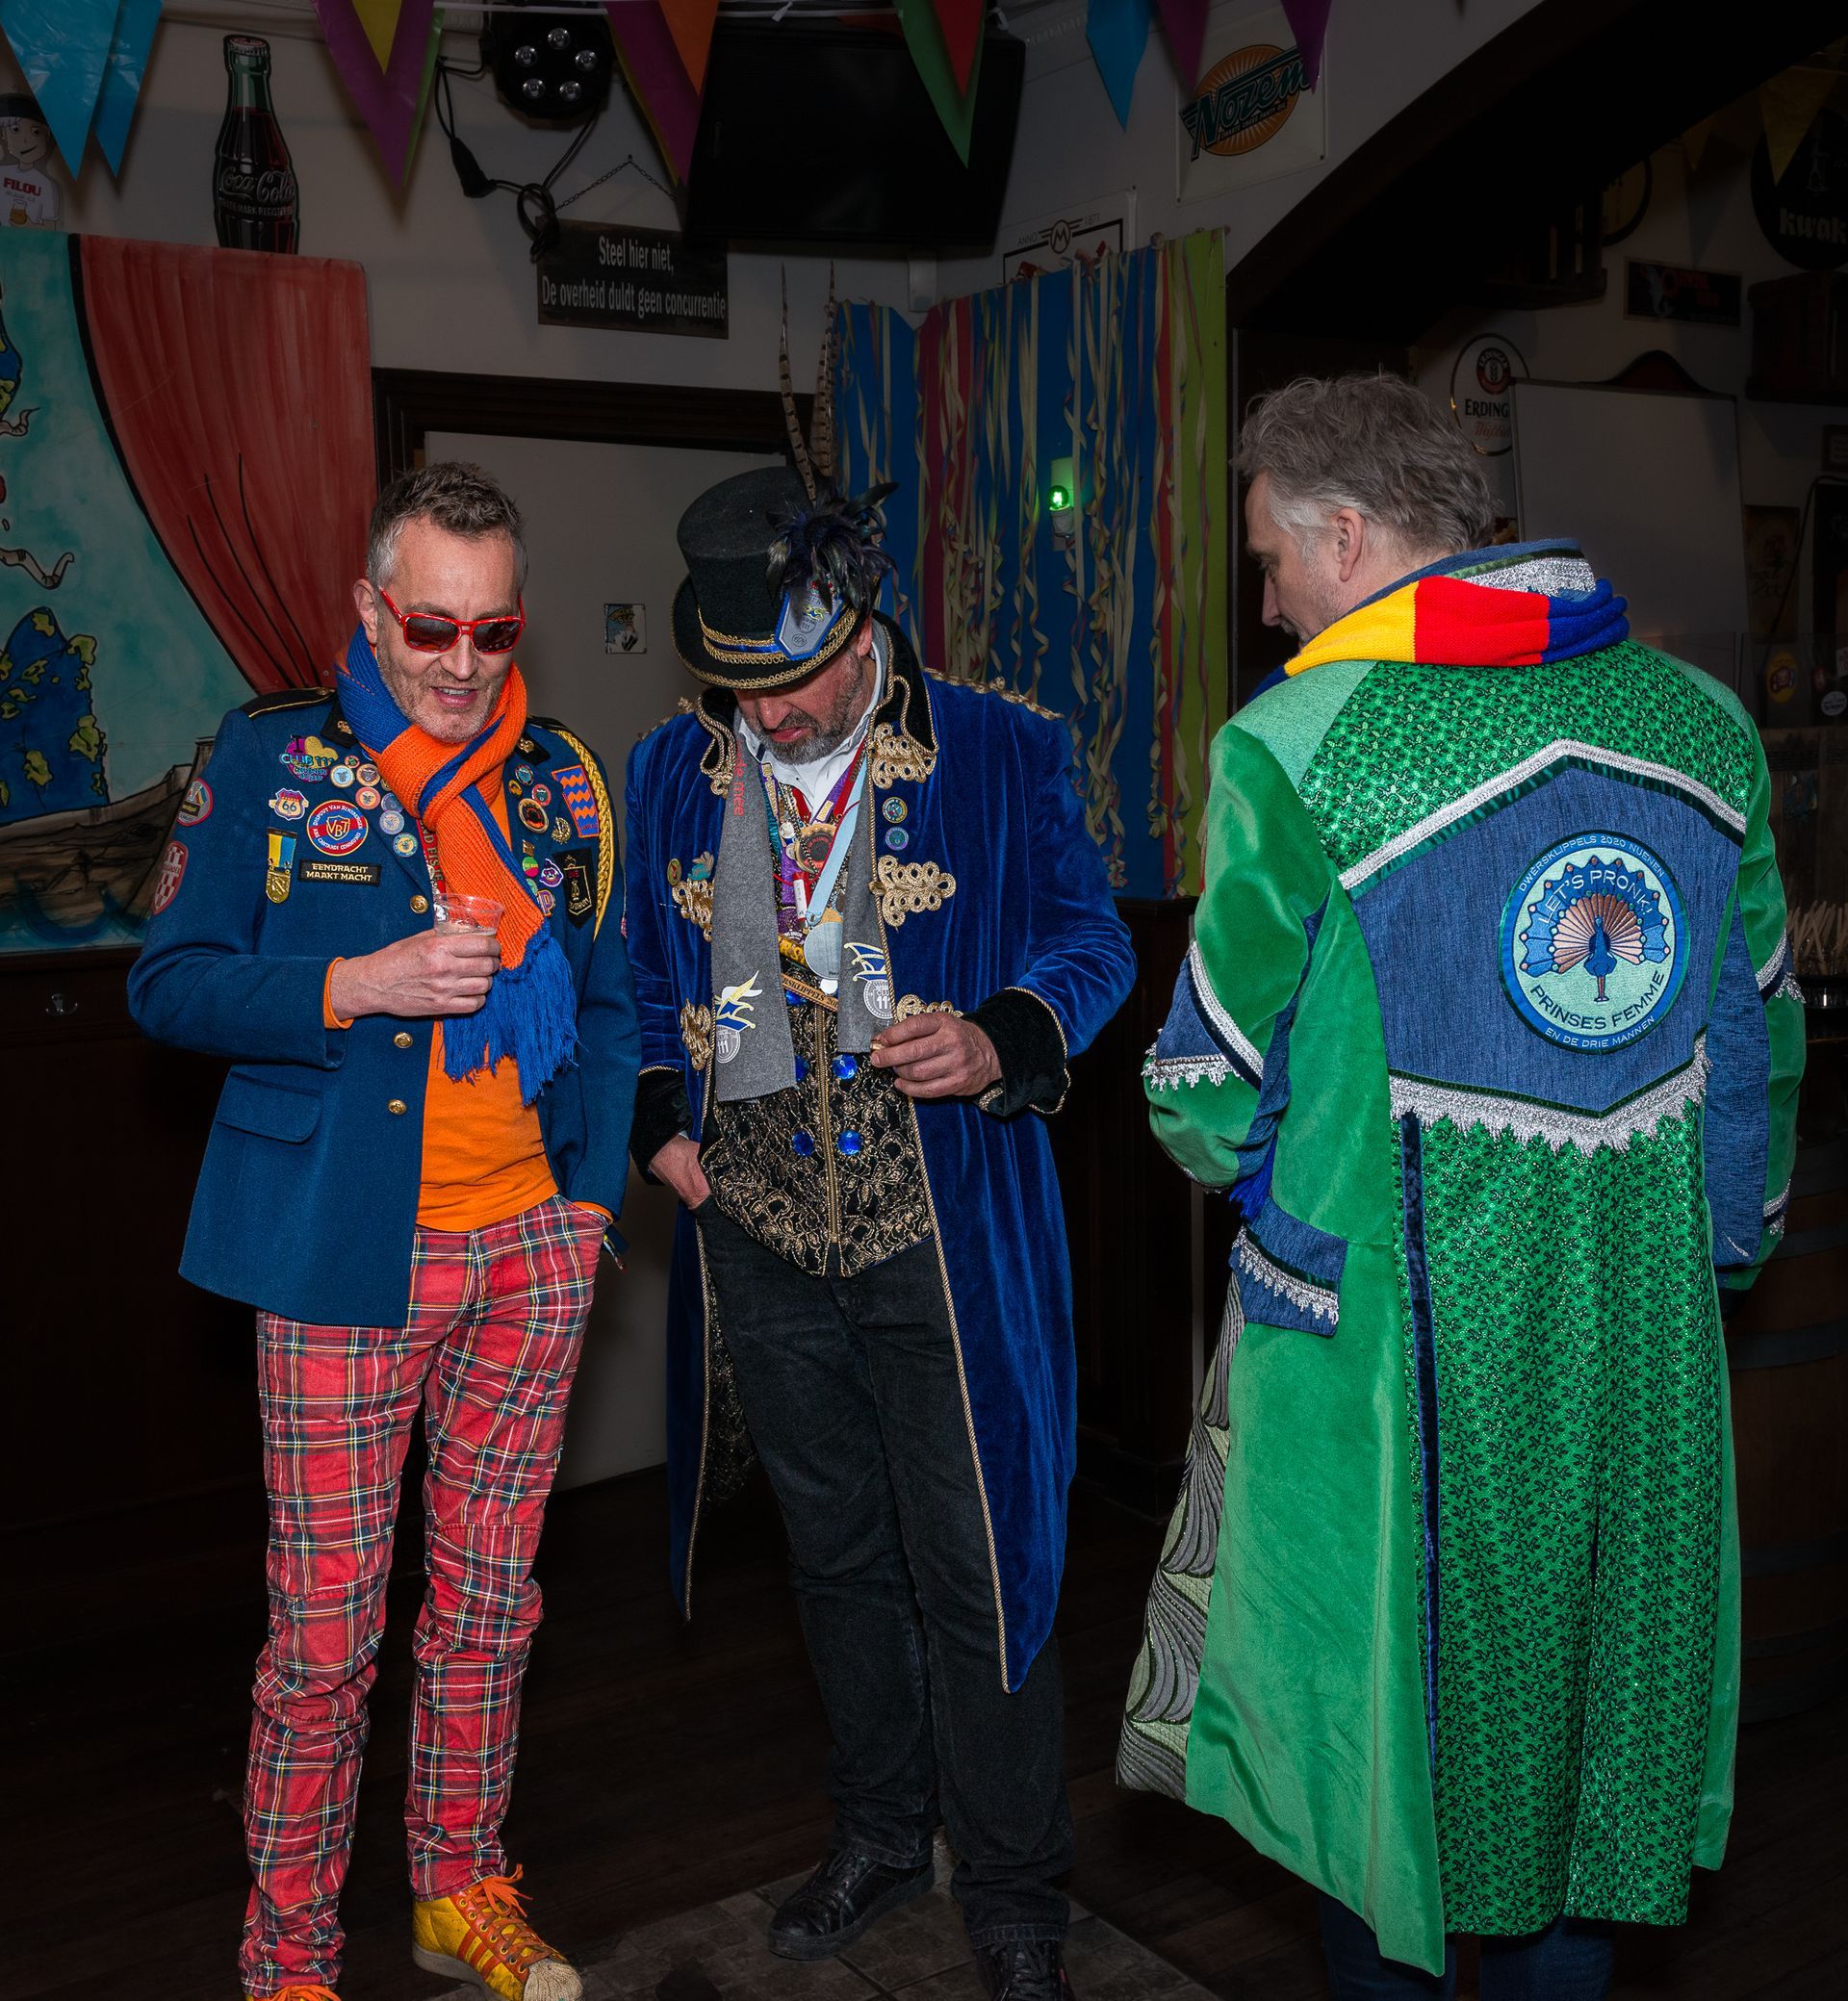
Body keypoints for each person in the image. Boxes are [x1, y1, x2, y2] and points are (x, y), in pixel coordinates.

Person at [1118, 373, 1804, 1999]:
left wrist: (1284, 1195)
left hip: (1385, 1367)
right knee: (1588, 1740)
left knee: (1386, 1769)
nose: (1270, 602)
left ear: (1350, 536)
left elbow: (1204, 1087)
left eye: (1274, 560)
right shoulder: (1703, 726)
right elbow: (1760, 1043)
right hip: (1635, 1351)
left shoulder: (1301, 744)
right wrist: (1717, 1246)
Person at [624, 463, 1135, 2001]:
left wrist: (1001, 1036)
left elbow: (1092, 941)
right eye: (741, 689)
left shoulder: (999, 746)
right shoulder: (668, 770)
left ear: (860, 629)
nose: (769, 717)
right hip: (756, 1225)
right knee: (836, 1558)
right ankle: (881, 1834)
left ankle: (1017, 1887)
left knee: (980, 1565)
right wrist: (656, 1123)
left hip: (942, 1226)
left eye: (792, 683)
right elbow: (638, 979)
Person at [129, 462, 639, 2001]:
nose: (463, 663)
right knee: (326, 1639)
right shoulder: (271, 760)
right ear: (370, 607)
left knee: (490, 1608)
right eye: (431, 627)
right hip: (342, 1258)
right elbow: (169, 983)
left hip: (529, 1251)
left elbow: (610, 1004)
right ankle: (288, 1954)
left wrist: (588, 1206)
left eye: (495, 631)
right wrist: (353, 986)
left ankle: (458, 1887)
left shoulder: (558, 781)